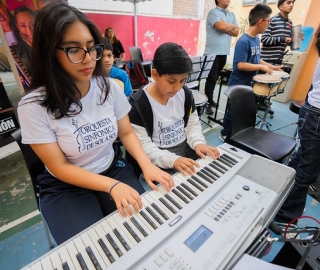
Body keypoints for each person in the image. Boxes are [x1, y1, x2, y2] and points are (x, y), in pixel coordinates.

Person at [17, 1, 173, 245]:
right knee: (94, 247)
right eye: (74, 49)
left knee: (145, 232)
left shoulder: (109, 87)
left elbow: (127, 133)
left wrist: (147, 165)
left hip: (111, 167)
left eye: (92, 48)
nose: (88, 59)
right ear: (49, 51)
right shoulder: (33, 106)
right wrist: (112, 187)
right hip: (64, 185)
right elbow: (59, 166)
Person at [129, 42, 220, 180]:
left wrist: (198, 143)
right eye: (171, 81)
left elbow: (192, 124)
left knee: (213, 171)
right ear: (155, 74)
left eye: (182, 80)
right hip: (160, 155)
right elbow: (144, 146)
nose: (177, 87)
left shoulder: (186, 94)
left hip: (187, 145)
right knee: (185, 186)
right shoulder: (138, 105)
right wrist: (173, 160)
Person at [275, 25, 320, 225]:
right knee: (306, 171)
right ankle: (284, 215)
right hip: (316, 114)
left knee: (300, 161)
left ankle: (280, 198)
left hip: (312, 111)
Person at [220, 3, 282, 141]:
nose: (269, 24)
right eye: (268, 21)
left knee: (242, 110)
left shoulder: (255, 39)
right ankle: (224, 133)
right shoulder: (244, 41)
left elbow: (256, 58)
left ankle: (237, 132)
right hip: (238, 83)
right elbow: (240, 65)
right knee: (232, 110)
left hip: (249, 83)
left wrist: (270, 66)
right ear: (261, 21)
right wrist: (261, 68)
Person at [203, 0, 239, 115]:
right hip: (211, 53)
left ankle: (210, 99)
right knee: (211, 79)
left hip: (223, 53)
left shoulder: (231, 14)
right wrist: (231, 26)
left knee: (216, 78)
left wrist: (227, 27)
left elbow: (236, 32)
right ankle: (207, 103)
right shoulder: (213, 12)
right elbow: (220, 26)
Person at [261, 0, 295, 65]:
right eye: (288, 2)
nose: (291, 5)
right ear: (280, 7)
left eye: (293, 3)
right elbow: (264, 39)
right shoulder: (272, 20)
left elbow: (288, 43)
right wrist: (283, 39)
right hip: (266, 61)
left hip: (279, 61)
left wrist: (296, 38)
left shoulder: (290, 23)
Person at [10, 6, 36, 81]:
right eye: (23, 26)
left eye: (32, 24)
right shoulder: (14, 53)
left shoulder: (53, 46)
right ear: (18, 27)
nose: (29, 31)